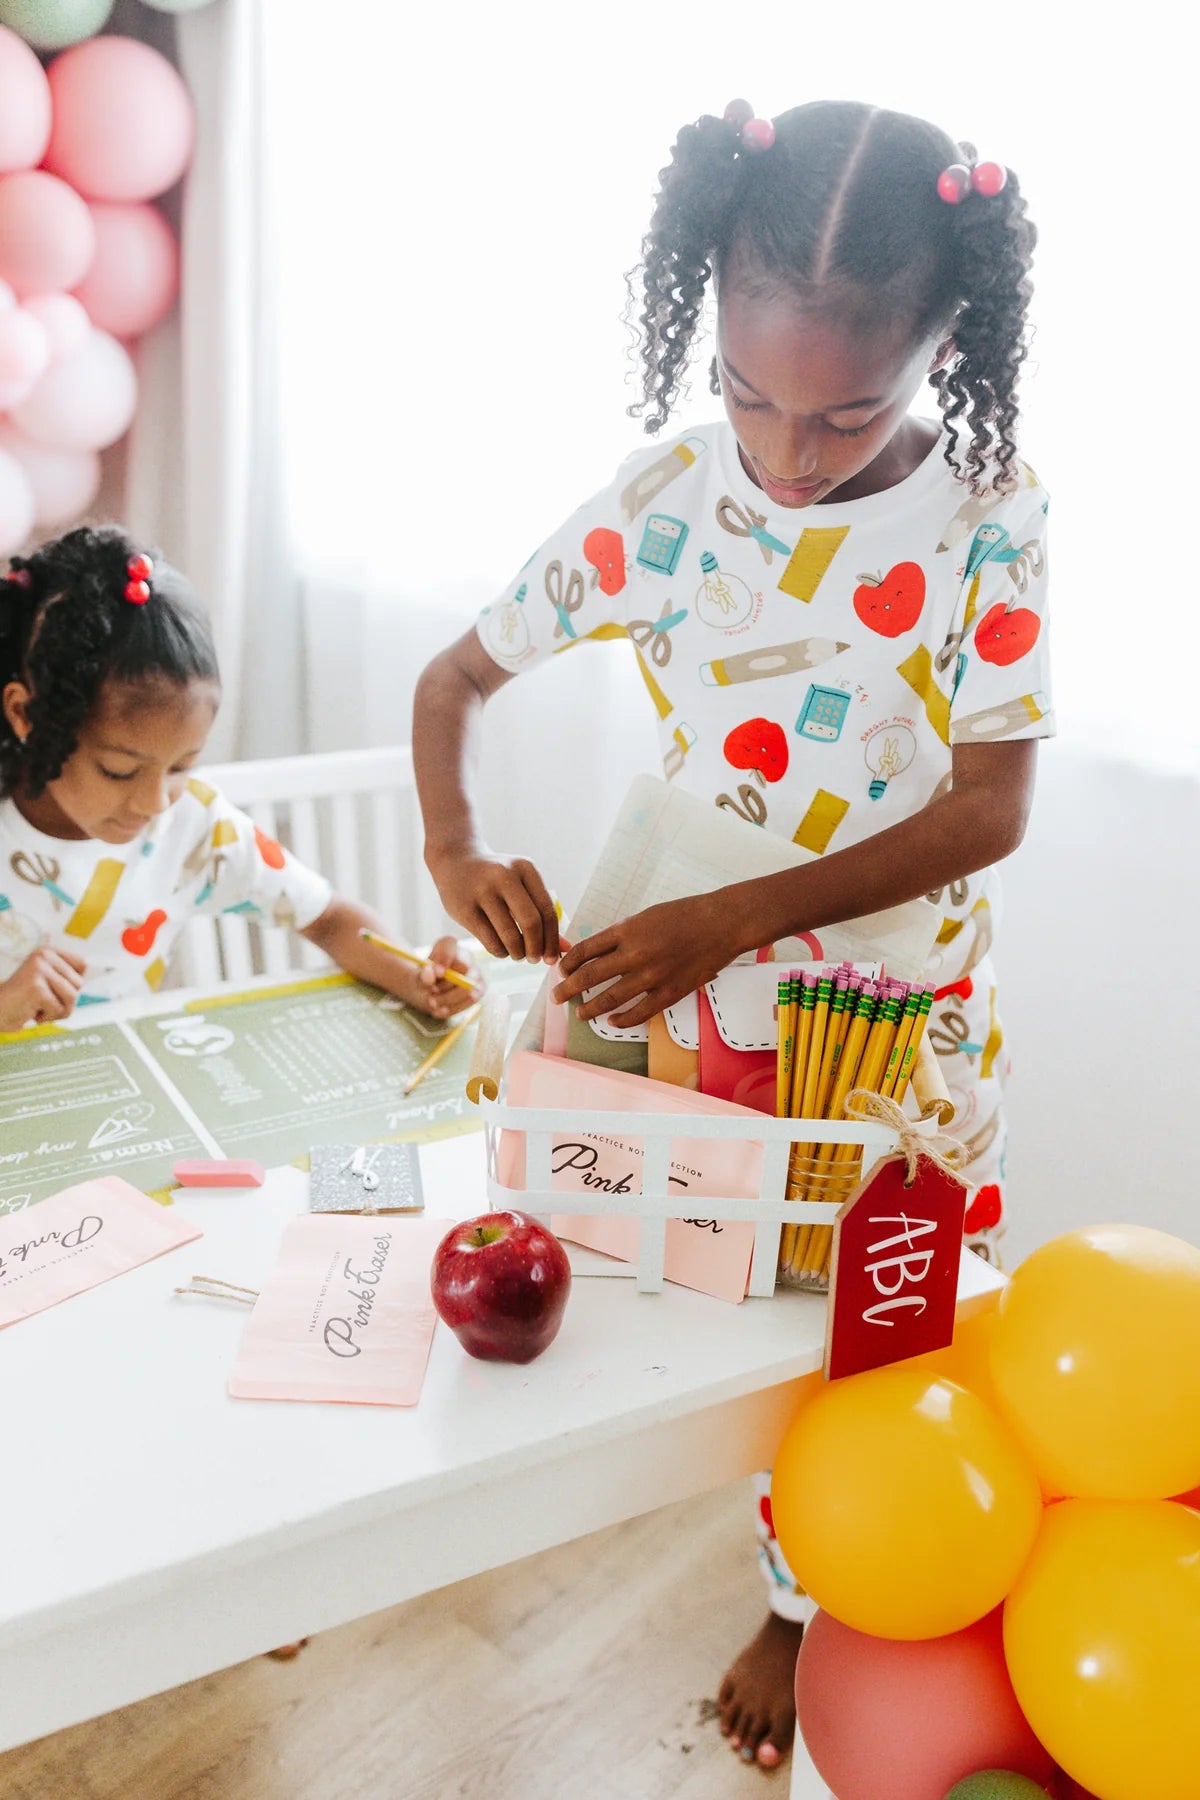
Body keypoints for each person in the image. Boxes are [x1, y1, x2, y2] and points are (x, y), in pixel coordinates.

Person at [412, 98, 1051, 1768]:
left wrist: (737, 915)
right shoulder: (677, 501)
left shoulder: (991, 513)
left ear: (945, 345)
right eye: (748, 397)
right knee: (726, 1317)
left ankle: (802, 1602)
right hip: (701, 1023)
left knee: (875, 1326)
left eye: (845, 413)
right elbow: (454, 679)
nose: (786, 457)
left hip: (901, 1033)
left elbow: (990, 811)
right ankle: (784, 1568)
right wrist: (457, 842)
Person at [0, 525, 476, 1031]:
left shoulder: (196, 827)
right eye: (119, 771)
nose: (156, 802)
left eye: (182, 766)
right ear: (25, 713)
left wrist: (419, 980)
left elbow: (330, 919)